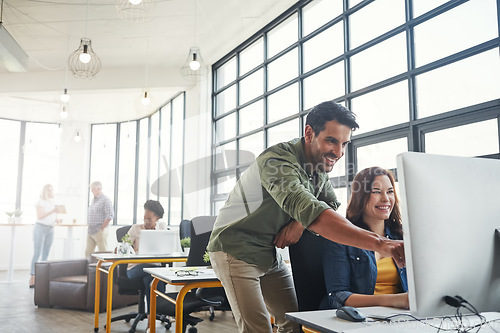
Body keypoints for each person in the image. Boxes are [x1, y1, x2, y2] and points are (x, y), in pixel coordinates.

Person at [207, 101, 405, 333]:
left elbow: (329, 203)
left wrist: (298, 224)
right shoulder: (278, 162)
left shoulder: (317, 168)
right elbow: (311, 210)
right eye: (331, 141)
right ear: (309, 132)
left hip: (268, 254)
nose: (339, 153)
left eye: (344, 144)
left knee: (294, 324)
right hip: (235, 250)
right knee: (258, 329)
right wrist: (380, 244)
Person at [321, 167, 409, 310]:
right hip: (359, 319)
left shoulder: (402, 236)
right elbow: (338, 297)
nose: (386, 199)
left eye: (390, 191)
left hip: (401, 315)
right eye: (376, 192)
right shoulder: (340, 238)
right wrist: (397, 300)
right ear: (360, 196)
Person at [126, 200, 167, 321]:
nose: (146, 222)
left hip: (153, 270)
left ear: (157, 218)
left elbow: (167, 248)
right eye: (144, 218)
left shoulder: (162, 229)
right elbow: (123, 247)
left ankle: (151, 317)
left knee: (150, 278)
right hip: (134, 268)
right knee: (156, 274)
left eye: (149, 219)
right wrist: (123, 247)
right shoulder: (135, 229)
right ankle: (160, 312)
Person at [29, 184, 62, 288]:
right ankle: (33, 278)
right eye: (49, 191)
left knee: (45, 254)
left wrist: (57, 219)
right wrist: (53, 211)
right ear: (45, 192)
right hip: (40, 228)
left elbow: (53, 217)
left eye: (52, 190)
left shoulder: (53, 203)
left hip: (50, 229)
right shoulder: (40, 202)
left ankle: (41, 278)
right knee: (37, 253)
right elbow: (40, 216)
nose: (51, 192)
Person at [85, 181, 114, 258]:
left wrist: (101, 228)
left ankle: (106, 269)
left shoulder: (105, 200)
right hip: (91, 230)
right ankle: (88, 268)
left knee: (103, 252)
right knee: (88, 253)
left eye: (93, 189)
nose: (91, 191)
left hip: (99, 231)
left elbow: (110, 216)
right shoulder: (93, 200)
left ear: (99, 189)